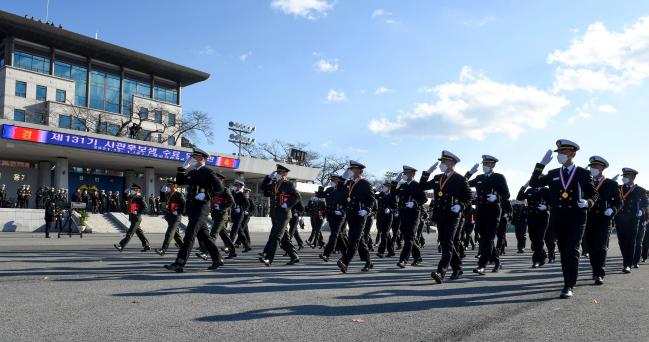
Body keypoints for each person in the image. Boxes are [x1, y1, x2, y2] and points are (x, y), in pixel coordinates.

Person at [528, 139, 598, 299]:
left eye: (563, 152)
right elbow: (533, 183)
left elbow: (594, 194)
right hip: (558, 217)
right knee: (563, 250)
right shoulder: (553, 173)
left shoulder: (583, 173)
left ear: (573, 154)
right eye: (559, 153)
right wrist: (541, 165)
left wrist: (588, 202)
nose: (560, 155)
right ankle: (568, 280)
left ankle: (568, 284)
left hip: (577, 217)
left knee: (572, 249)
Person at [164, 147, 226, 272]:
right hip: (193, 208)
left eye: (194, 157)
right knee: (205, 237)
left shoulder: (208, 172)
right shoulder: (192, 172)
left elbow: (219, 188)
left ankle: (179, 263)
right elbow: (180, 182)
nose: (191, 159)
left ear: (202, 158)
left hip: (202, 208)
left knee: (189, 235)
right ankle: (217, 258)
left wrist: (207, 195)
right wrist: (183, 168)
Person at [420, 151, 472, 283]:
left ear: (452, 163)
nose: (441, 164)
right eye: (441, 161)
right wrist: (426, 173)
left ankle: (440, 272)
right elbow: (422, 186)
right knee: (445, 243)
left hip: (453, 215)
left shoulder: (460, 179)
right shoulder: (438, 177)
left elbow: (468, 197)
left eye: (444, 162)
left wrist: (460, 205)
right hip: (440, 214)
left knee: (447, 242)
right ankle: (458, 268)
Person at [465, 155, 510, 275]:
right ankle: (496, 260)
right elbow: (464, 184)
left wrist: (497, 197)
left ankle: (482, 265)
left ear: (493, 165)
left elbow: (507, 194)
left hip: (493, 211)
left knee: (488, 238)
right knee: (483, 238)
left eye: (487, 164)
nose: (484, 166)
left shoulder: (499, 177)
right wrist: (469, 173)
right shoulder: (479, 177)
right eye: (483, 164)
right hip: (480, 211)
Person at [583, 156, 622, 285]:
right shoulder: (586, 182)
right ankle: (595, 269)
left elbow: (619, 202)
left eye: (596, 166)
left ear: (602, 168)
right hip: (587, 219)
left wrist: (612, 209)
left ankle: (598, 273)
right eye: (592, 166)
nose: (593, 169)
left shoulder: (611, 184)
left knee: (600, 247)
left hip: (603, 219)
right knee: (589, 246)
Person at [259, 164, 302, 266]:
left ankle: (269, 259)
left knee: (275, 236)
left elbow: (297, 196)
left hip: (284, 214)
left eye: (280, 172)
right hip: (275, 214)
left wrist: (287, 204)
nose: (277, 174)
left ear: (285, 173)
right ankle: (294, 256)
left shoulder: (288, 184)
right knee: (285, 239)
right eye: (277, 172)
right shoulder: (274, 183)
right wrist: (268, 177)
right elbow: (263, 188)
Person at [337, 161, 375, 273]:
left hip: (360, 214)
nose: (352, 171)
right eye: (351, 170)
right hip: (350, 213)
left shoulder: (365, 183)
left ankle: (345, 262)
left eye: (353, 169)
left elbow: (372, 200)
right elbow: (339, 190)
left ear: (359, 170)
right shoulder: (349, 183)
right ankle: (368, 261)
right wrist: (343, 178)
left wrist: (367, 210)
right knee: (359, 239)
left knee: (353, 239)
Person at [615, 168, 648, 273]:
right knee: (622, 241)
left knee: (631, 241)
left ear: (633, 177)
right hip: (620, 218)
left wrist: (642, 210)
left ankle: (627, 264)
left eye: (626, 176)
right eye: (623, 176)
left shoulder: (640, 190)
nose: (624, 178)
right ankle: (627, 259)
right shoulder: (618, 188)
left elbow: (646, 203)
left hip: (633, 219)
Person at [396, 165, 428, 268]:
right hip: (403, 215)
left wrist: (415, 203)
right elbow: (393, 193)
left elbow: (424, 199)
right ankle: (418, 257)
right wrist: (395, 181)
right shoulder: (403, 186)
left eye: (406, 173)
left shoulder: (417, 185)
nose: (404, 175)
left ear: (412, 174)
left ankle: (403, 260)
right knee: (408, 238)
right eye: (404, 173)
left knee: (409, 237)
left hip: (413, 215)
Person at [517, 181, 551, 268]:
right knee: (533, 239)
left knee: (539, 239)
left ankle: (537, 260)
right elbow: (519, 197)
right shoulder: (530, 190)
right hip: (531, 217)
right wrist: (524, 186)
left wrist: (547, 207)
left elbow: (554, 202)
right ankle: (542, 254)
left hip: (542, 217)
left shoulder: (546, 190)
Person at [318, 173, 348, 262]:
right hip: (331, 215)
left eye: (334, 180)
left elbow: (348, 202)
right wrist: (322, 187)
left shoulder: (343, 189)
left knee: (334, 234)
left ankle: (326, 254)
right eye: (331, 180)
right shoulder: (329, 190)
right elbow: (319, 195)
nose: (332, 182)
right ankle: (346, 252)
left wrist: (342, 211)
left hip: (339, 216)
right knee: (339, 235)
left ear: (339, 181)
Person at [114, 184, 151, 252]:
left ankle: (121, 245)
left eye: (133, 190)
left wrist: (137, 211)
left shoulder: (140, 198)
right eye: (132, 190)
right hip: (133, 217)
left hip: (137, 218)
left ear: (137, 190)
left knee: (130, 233)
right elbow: (126, 197)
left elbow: (145, 207)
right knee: (139, 233)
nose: (132, 191)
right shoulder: (132, 197)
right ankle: (146, 245)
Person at [155, 179, 185, 256]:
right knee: (175, 234)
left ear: (174, 185)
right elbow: (162, 200)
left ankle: (163, 250)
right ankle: (184, 247)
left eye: (170, 185)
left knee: (169, 232)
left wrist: (178, 212)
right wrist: (161, 191)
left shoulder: (179, 194)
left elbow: (184, 205)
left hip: (176, 216)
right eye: (168, 185)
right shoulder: (168, 194)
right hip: (169, 216)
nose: (169, 186)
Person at [376, 181, 398, 258]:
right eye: (384, 186)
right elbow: (373, 196)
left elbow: (395, 207)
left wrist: (390, 210)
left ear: (390, 187)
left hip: (388, 217)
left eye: (387, 186)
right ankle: (391, 251)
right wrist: (376, 189)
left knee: (384, 234)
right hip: (380, 217)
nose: (385, 187)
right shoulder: (380, 194)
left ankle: (381, 252)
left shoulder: (392, 195)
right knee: (386, 234)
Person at [229, 179, 251, 252]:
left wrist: (242, 209)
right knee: (240, 231)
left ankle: (228, 246)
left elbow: (247, 204)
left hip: (239, 215)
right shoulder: (232, 193)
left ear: (240, 187)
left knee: (234, 231)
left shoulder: (241, 194)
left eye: (237, 185)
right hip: (234, 214)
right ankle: (247, 245)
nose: (235, 186)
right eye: (235, 185)